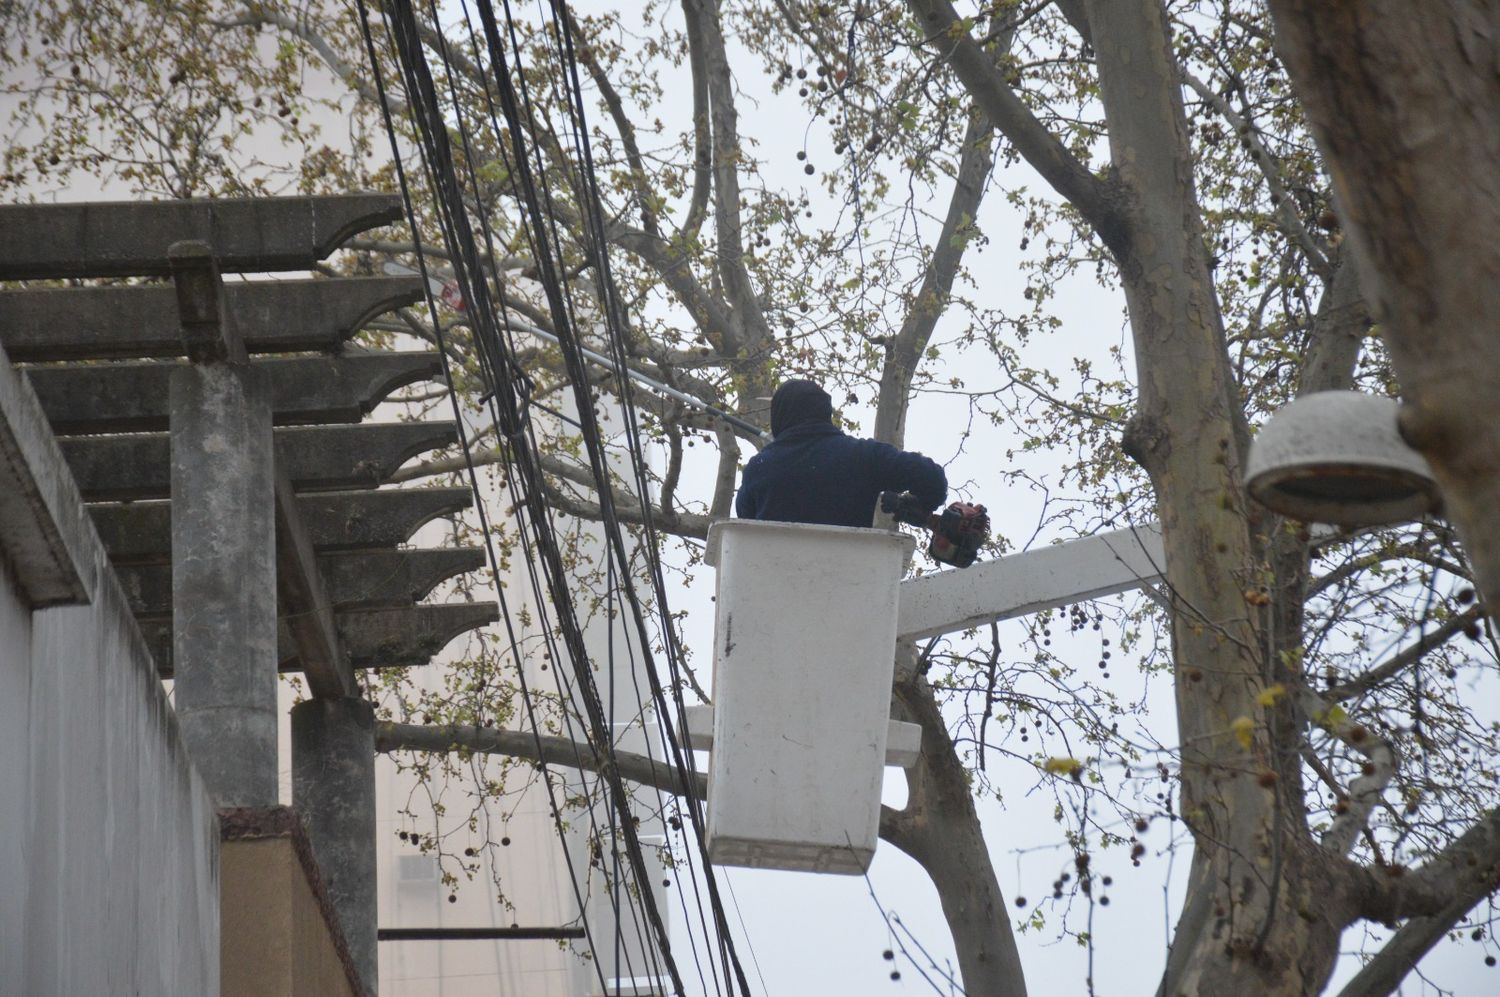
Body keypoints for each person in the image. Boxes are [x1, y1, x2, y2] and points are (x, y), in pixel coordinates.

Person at [735, 379, 948, 529]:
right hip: (849, 582)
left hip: (776, 585)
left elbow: (746, 522)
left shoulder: (759, 469)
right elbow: (933, 479)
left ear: (779, 417)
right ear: (825, 413)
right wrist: (912, 506)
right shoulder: (863, 456)